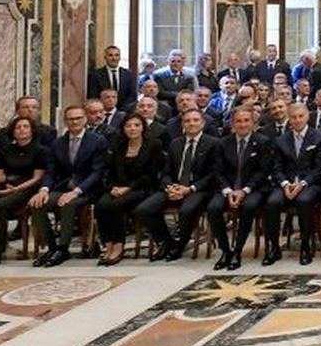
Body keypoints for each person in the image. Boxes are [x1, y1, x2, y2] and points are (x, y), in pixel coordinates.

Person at [31, 105, 110, 267]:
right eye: (71, 119)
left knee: (67, 203)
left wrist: (76, 192)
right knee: (37, 204)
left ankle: (63, 248)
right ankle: (52, 248)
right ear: (65, 121)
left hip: (88, 188)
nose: (74, 122)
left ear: (85, 119)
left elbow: (97, 172)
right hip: (63, 187)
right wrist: (44, 190)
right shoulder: (58, 143)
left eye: (78, 118)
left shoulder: (97, 141)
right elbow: (51, 172)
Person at [136, 108, 220, 262]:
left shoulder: (213, 143)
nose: (191, 124)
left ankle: (180, 246)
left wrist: (190, 189)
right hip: (174, 187)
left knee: (186, 210)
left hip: (198, 189)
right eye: (187, 121)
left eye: (195, 120)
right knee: (144, 209)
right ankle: (167, 242)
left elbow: (214, 174)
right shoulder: (176, 143)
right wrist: (169, 186)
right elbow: (166, 171)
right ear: (182, 124)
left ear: (202, 123)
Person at [0, 116, 50, 269]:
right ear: (13, 132)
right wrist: (0, 178)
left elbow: (37, 178)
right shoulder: (6, 150)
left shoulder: (40, 150)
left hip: (27, 188)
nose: (21, 130)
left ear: (32, 130)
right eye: (18, 127)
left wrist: (17, 189)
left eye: (25, 127)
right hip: (6, 186)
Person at [96, 114, 165, 266]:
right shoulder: (118, 146)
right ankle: (108, 245)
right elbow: (109, 171)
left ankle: (119, 246)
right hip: (118, 187)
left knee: (115, 206)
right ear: (123, 128)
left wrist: (128, 188)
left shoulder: (154, 144)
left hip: (142, 187)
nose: (132, 128)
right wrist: (112, 187)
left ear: (143, 127)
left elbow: (152, 174)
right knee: (101, 205)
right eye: (128, 126)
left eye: (136, 125)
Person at [265, 103, 321, 266]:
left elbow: (319, 168)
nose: (297, 120)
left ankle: (305, 246)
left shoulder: (319, 137)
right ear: (289, 119)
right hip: (286, 183)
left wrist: (302, 184)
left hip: (310, 183)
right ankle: (274, 247)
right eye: (294, 117)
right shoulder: (281, 141)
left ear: (307, 117)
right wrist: (285, 184)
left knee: (303, 201)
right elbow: (276, 168)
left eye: (301, 116)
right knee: (271, 203)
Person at [213, 106, 271, 270]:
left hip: (253, 188)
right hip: (227, 189)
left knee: (249, 206)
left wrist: (244, 190)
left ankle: (237, 250)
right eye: (238, 121)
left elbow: (263, 171)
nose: (243, 124)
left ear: (253, 123)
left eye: (246, 121)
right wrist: (228, 191)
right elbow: (218, 171)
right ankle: (225, 251)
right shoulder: (223, 143)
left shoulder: (262, 142)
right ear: (232, 124)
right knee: (213, 208)